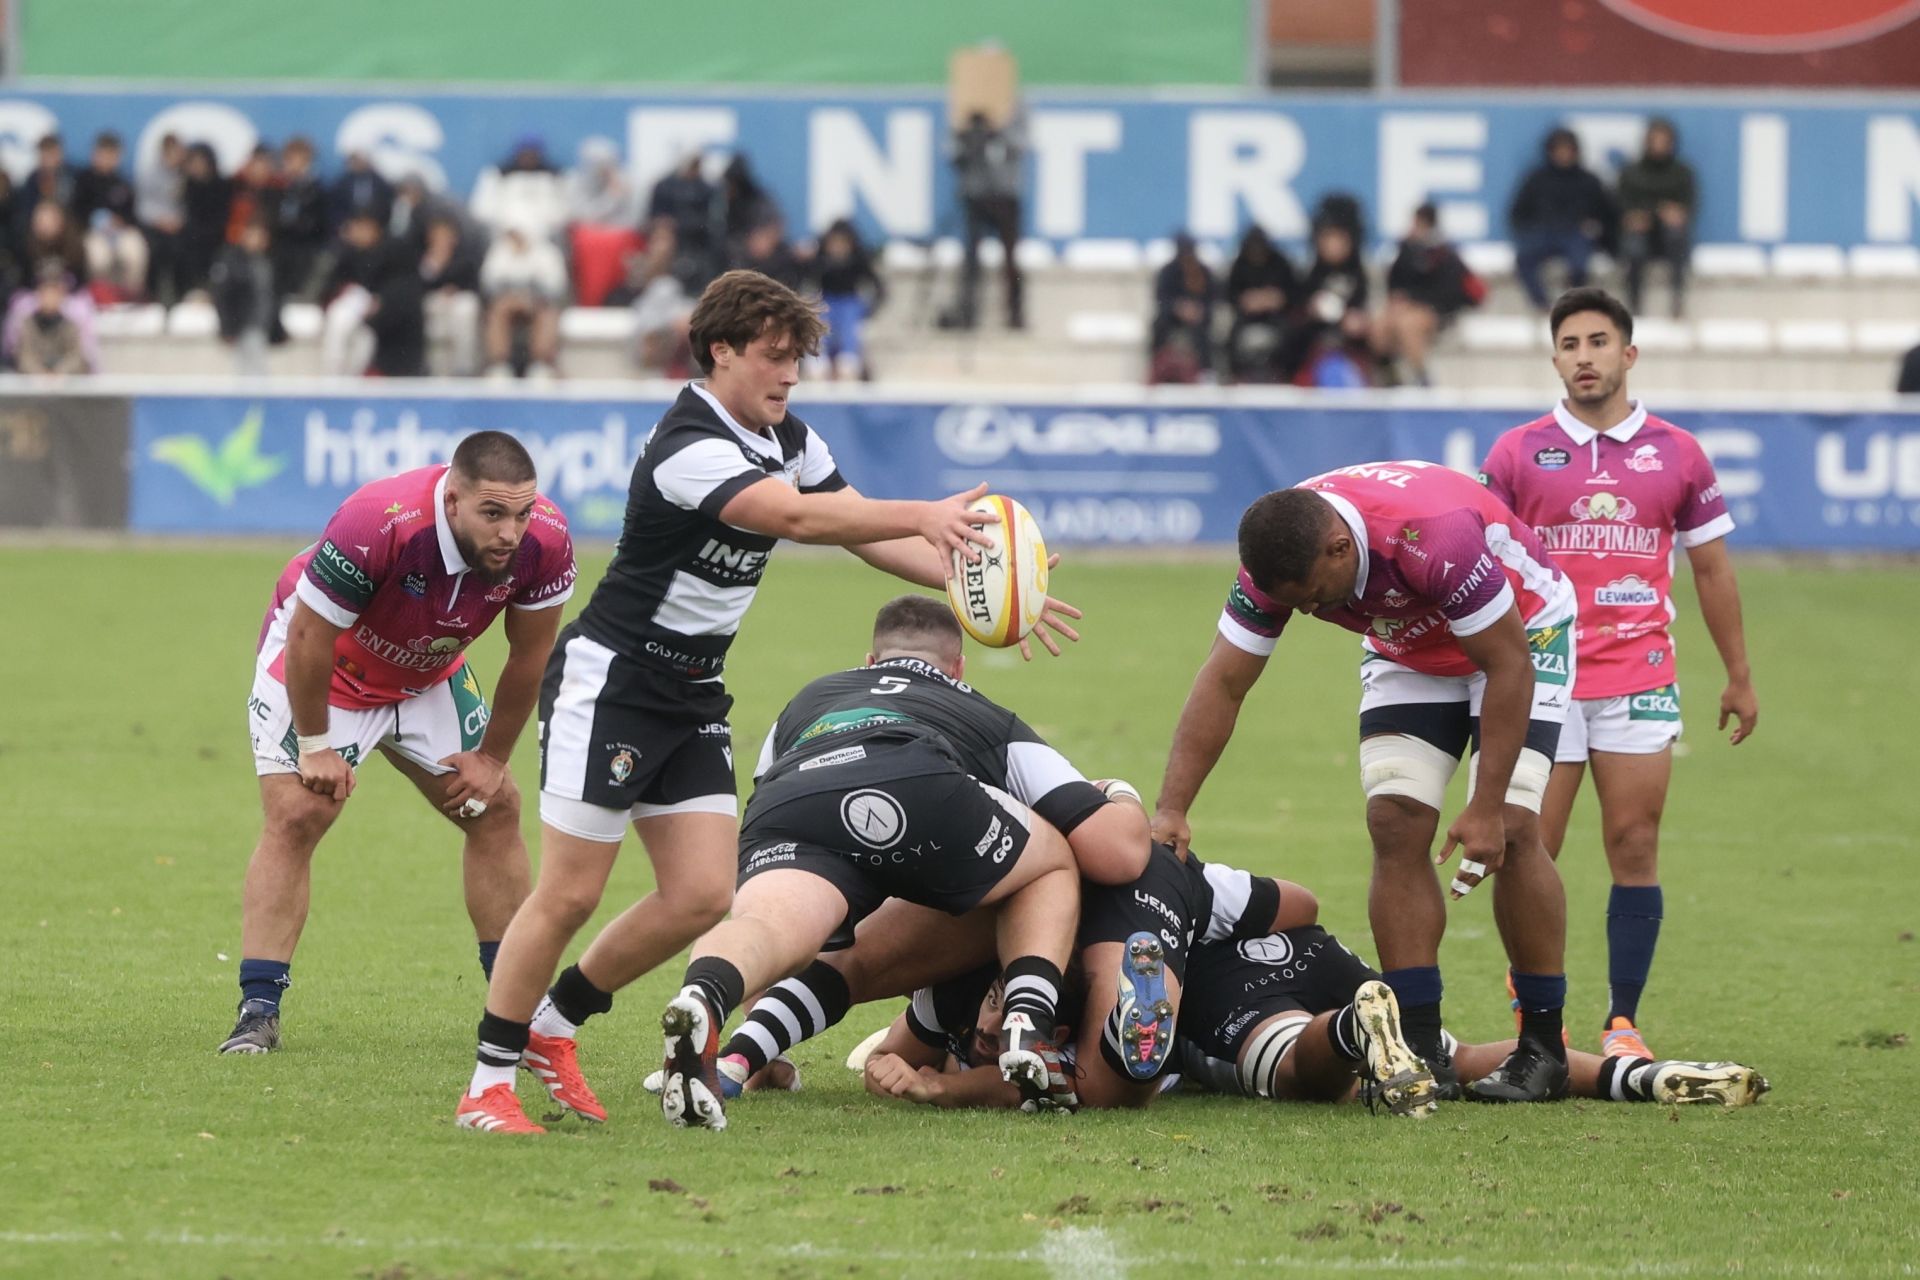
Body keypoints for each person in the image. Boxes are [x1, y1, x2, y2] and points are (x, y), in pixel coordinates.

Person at [454, 269, 1081, 1134]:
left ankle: (553, 1026)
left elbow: (856, 520)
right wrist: (927, 513)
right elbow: (796, 521)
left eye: (798, 361)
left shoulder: (786, 434)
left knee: (703, 896)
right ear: (720, 351)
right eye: (774, 358)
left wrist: (980, 585)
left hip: (691, 693)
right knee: (568, 893)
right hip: (615, 684)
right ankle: (487, 1082)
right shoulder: (689, 444)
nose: (789, 376)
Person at [1152, 463, 1579, 1103]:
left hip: (1522, 633)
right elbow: (1224, 680)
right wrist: (1171, 809)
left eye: (1312, 595)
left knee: (1515, 829)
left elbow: (1507, 663)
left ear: (1340, 547)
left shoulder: (1432, 537)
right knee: (1394, 822)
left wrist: (1486, 806)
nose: (1308, 610)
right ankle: (1422, 1043)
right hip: (1409, 647)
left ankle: (1543, 1048)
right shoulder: (1281, 555)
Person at [219, 433, 578, 1054]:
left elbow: (531, 654)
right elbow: (308, 637)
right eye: (492, 514)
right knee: (300, 812)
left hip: (428, 671)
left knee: (493, 807)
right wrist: (315, 743)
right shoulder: (377, 521)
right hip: (328, 665)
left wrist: (492, 759)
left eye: (521, 513)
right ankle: (258, 1012)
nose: (510, 533)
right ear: (453, 498)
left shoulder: (545, 539)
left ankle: (515, 1013)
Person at [1479, 286, 1756, 1059]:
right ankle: (1538, 1008)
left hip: (1640, 671)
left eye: (1599, 341)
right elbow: (1482, 568)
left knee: (1634, 841)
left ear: (1628, 353)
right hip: (1546, 677)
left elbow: (1711, 571)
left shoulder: (1677, 453)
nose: (1585, 357)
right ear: (1555, 358)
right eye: (1570, 344)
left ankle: (1622, 1022)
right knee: (1529, 845)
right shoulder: (1516, 453)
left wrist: (1738, 674)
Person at [1176, 923, 1769, 1111]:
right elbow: (1296, 898)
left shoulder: (1122, 906)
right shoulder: (1198, 874)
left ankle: (1352, 1029)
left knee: (1295, 1074)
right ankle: (1643, 1076)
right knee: (1453, 1063)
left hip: (1216, 985)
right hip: (1305, 948)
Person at [1375, 202, 1480, 387]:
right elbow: (1395, 282)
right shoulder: (1406, 251)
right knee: (1380, 325)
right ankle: (1389, 378)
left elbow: (1451, 291)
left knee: (1408, 325)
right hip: (1406, 308)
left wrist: (1416, 302)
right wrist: (1399, 299)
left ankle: (1422, 379)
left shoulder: (1445, 254)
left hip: (1436, 311)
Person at [1511, 127, 1613, 313]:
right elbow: (1518, 213)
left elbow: (1606, 214)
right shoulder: (1536, 179)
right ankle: (1542, 305)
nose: (1563, 155)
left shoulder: (1589, 181)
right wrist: (1528, 232)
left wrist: (1597, 233)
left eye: (1568, 150)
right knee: (1523, 258)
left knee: (1579, 263)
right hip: (1544, 233)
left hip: (1576, 235)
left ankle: (1571, 306)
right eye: (1559, 150)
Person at [944, 111, 1024, 331]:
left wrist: (997, 131)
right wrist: (970, 137)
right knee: (971, 259)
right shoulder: (966, 97)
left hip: (1006, 195)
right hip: (975, 195)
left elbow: (1021, 144)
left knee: (1011, 258)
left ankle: (1015, 312)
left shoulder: (1013, 101)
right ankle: (968, 311)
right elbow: (952, 154)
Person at [320, 211, 425, 377]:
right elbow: (329, 287)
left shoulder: (392, 251)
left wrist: (380, 302)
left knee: (365, 343)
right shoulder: (345, 253)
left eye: (364, 228)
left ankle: (351, 385)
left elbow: (402, 288)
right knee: (339, 320)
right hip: (351, 312)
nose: (359, 232)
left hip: (378, 323)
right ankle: (332, 379)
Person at [1615, 120, 1697, 318]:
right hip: (1640, 231)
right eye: (1655, 140)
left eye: (1664, 141)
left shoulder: (1682, 173)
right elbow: (1621, 205)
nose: (1659, 145)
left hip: (1669, 234)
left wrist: (1675, 214)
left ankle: (1677, 300)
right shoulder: (1631, 172)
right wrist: (1634, 216)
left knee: (1676, 236)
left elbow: (1689, 206)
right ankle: (1634, 305)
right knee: (1633, 246)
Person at [1286, 217, 1371, 387]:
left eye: (1338, 240)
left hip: (1352, 344)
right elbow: (1297, 308)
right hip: (1315, 342)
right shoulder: (1310, 274)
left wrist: (1361, 320)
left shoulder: (1362, 273)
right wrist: (1311, 310)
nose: (1333, 246)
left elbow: (1371, 308)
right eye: (1328, 240)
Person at [479, 221, 568, 380]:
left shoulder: (548, 253)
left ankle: (541, 365)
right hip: (506, 303)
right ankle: (499, 365)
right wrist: (511, 298)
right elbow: (488, 285)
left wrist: (530, 298)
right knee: (497, 311)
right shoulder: (499, 252)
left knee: (547, 313)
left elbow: (555, 288)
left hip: (538, 303)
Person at [72, 131, 146, 302]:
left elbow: (133, 215)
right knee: (98, 256)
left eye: (112, 154)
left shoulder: (122, 182)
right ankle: (100, 298)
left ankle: (129, 297)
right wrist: (95, 221)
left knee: (134, 250)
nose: (107, 158)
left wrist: (121, 222)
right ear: (94, 154)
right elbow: (76, 212)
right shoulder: (83, 180)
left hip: (121, 231)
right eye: (103, 153)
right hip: (92, 233)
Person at [810, 218, 884, 380]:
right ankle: (817, 359)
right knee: (820, 318)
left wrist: (869, 310)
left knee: (849, 322)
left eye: (842, 243)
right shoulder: (820, 260)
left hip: (849, 304)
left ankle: (849, 359)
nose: (838, 247)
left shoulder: (859, 261)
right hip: (826, 302)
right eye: (834, 243)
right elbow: (805, 279)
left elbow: (878, 287)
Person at [209, 216, 285, 375]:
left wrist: (278, 329)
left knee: (257, 369)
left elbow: (272, 297)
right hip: (242, 325)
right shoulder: (232, 260)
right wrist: (227, 328)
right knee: (246, 370)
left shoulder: (267, 262)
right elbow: (223, 297)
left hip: (262, 325)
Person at [1223, 225, 1297, 384]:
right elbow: (1230, 293)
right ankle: (1235, 376)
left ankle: (1287, 375)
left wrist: (1276, 299)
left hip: (1276, 316)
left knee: (1290, 332)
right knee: (1232, 334)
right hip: (1247, 317)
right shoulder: (1240, 264)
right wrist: (1246, 301)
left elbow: (1293, 292)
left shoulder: (1280, 263)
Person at [417, 215, 484, 376]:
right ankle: (437, 370)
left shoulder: (465, 256)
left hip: (461, 300)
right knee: (436, 314)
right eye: (437, 235)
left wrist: (453, 290)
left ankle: (463, 368)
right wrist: (434, 264)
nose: (441, 239)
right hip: (434, 302)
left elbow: (473, 284)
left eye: (445, 235)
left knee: (464, 309)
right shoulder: (424, 259)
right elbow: (419, 286)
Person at [1149, 234, 1216, 384]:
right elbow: (1161, 299)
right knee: (1159, 324)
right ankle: (1157, 366)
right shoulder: (1167, 272)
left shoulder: (1203, 272)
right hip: (1172, 317)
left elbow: (1212, 299)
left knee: (1203, 332)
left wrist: (1198, 310)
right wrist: (1178, 308)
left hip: (1198, 317)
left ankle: (1206, 372)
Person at [270, 137, 329, 299]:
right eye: (290, 159)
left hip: (304, 249)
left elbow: (320, 223)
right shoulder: (277, 186)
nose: (294, 165)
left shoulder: (316, 189)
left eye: (300, 160)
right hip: (279, 247)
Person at [136, 133, 187, 305]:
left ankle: (182, 295)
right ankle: (153, 296)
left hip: (178, 226)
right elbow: (142, 207)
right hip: (154, 226)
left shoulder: (185, 174)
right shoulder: (149, 174)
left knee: (183, 248)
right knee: (156, 249)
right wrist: (161, 220)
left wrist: (178, 220)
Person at [14, 263, 91, 375]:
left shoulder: (70, 325)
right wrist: (40, 373)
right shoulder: (28, 324)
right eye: (45, 292)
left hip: (66, 385)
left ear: (61, 295)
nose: (49, 297)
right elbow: (24, 357)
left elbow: (76, 357)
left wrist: (59, 372)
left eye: (54, 292)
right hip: (33, 384)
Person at [179, 142, 232, 297]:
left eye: (200, 162)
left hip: (217, 236)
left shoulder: (222, 185)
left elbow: (223, 215)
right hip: (191, 237)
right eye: (193, 163)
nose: (197, 167)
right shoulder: (187, 186)